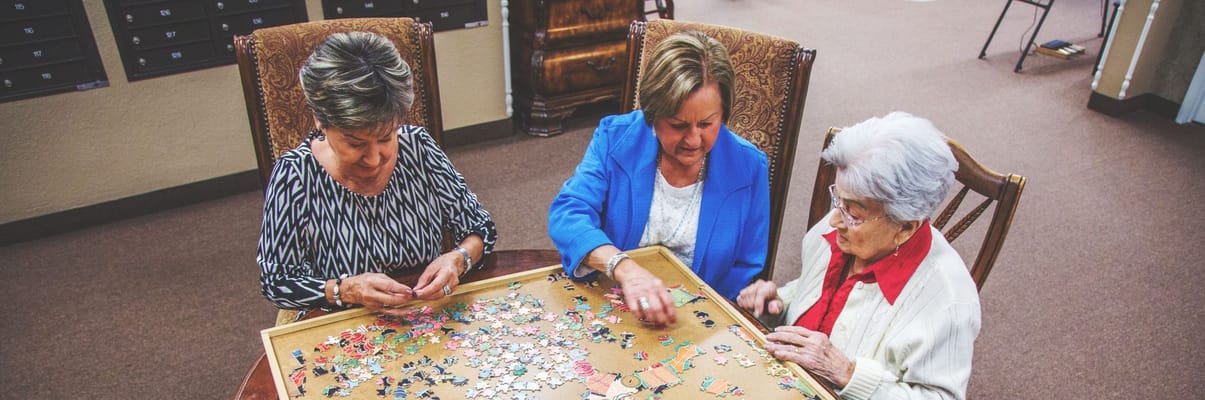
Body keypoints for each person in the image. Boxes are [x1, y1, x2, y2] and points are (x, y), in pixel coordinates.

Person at [736, 112, 980, 400]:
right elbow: (814, 297)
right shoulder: (840, 235)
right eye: (837, 199)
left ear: (905, 227)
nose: (834, 220)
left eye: (853, 211)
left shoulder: (948, 304)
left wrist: (848, 373)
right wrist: (776, 304)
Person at [257, 32, 496, 318]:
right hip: (343, 322)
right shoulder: (295, 174)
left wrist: (458, 260)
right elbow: (277, 281)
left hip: (428, 314)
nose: (373, 159)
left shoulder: (418, 147)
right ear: (320, 120)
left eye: (385, 137)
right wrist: (345, 289)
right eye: (356, 143)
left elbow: (480, 227)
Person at [549, 31, 769, 326]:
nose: (693, 139)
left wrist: (751, 296)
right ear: (652, 115)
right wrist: (624, 268)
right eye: (678, 125)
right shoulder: (615, 138)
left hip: (697, 325)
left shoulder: (749, 166)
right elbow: (567, 215)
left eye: (707, 123)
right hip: (611, 308)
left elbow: (746, 267)